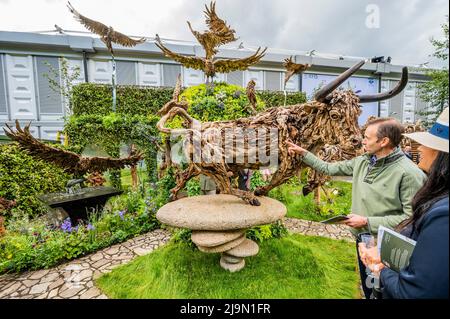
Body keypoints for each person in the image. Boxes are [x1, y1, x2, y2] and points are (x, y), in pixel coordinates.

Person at [286, 117, 427, 299]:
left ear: (383, 141)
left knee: (383, 290)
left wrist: (366, 221)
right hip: (363, 237)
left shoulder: (409, 174)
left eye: (367, 137)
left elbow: (411, 218)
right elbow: (328, 168)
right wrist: (303, 153)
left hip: (386, 245)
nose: (363, 141)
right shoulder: (363, 161)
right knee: (369, 285)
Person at [360, 107, 449, 299]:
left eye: (428, 144)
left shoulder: (444, 214)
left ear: (442, 155)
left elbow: (415, 292)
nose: (421, 149)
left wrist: (382, 267)